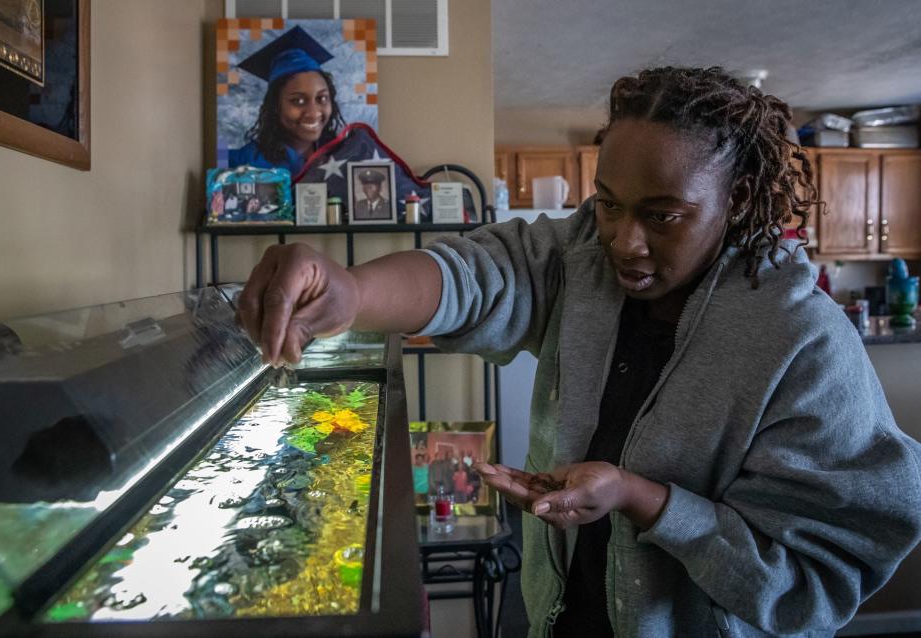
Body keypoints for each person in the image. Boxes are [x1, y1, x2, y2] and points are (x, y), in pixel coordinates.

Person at [236, 66, 921, 637]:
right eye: (609, 203)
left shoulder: (802, 342)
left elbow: (813, 581)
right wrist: (351, 292)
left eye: (662, 215)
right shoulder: (583, 256)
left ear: (737, 198)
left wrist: (643, 500)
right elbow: (478, 273)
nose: (624, 240)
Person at [228, 25, 346, 174]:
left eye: (321, 98)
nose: (313, 113)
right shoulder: (243, 163)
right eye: (298, 101)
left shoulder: (345, 156)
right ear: (275, 106)